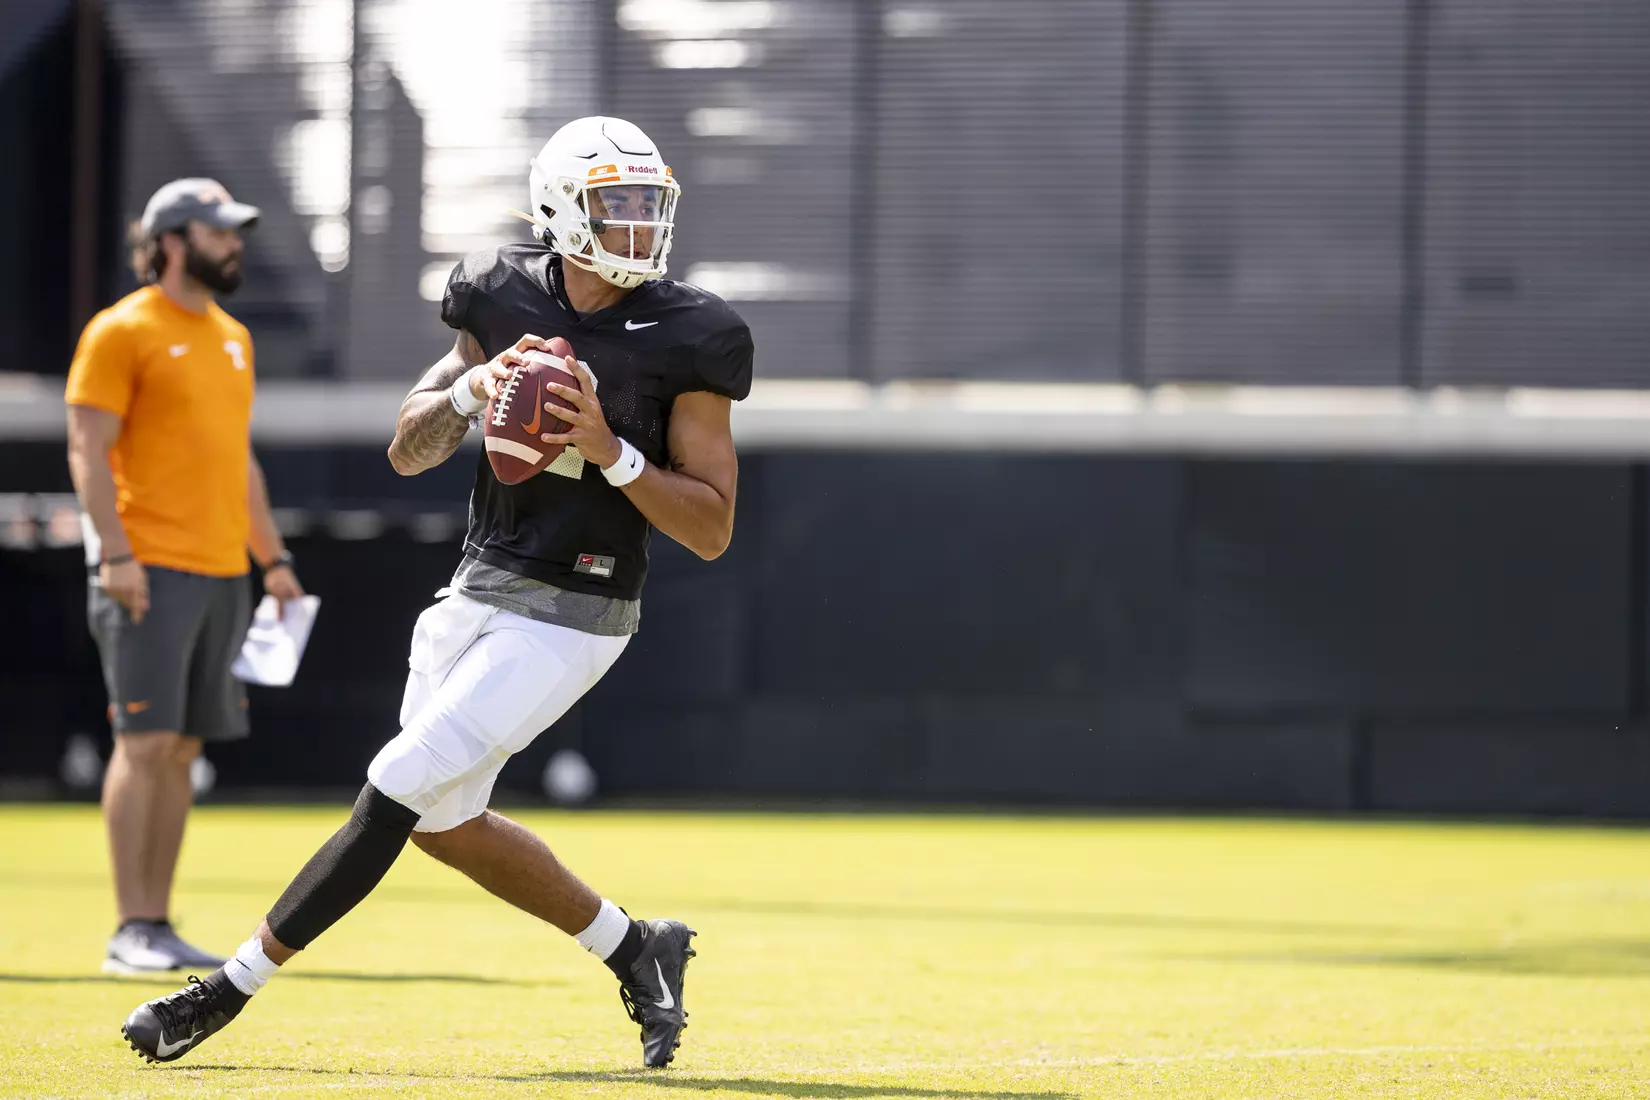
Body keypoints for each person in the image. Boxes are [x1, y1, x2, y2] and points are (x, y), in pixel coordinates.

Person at [120, 117, 753, 1069]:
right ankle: (636, 948)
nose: (635, 224)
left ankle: (222, 992)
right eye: (613, 203)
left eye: (645, 204)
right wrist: (470, 391)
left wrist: (610, 449)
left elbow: (711, 528)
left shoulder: (693, 332)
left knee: (397, 782)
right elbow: (407, 448)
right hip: (476, 586)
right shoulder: (496, 290)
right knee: (442, 823)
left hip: (578, 609)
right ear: (559, 208)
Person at [66, 178, 305, 975]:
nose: (234, 244)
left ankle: (156, 924)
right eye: (218, 231)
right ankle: (129, 928)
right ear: (171, 241)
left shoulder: (233, 338)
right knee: (145, 743)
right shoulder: (121, 329)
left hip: (222, 573)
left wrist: (273, 560)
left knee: (182, 749)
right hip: (147, 569)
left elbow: (238, 462)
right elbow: (86, 449)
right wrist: (115, 554)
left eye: (235, 231)